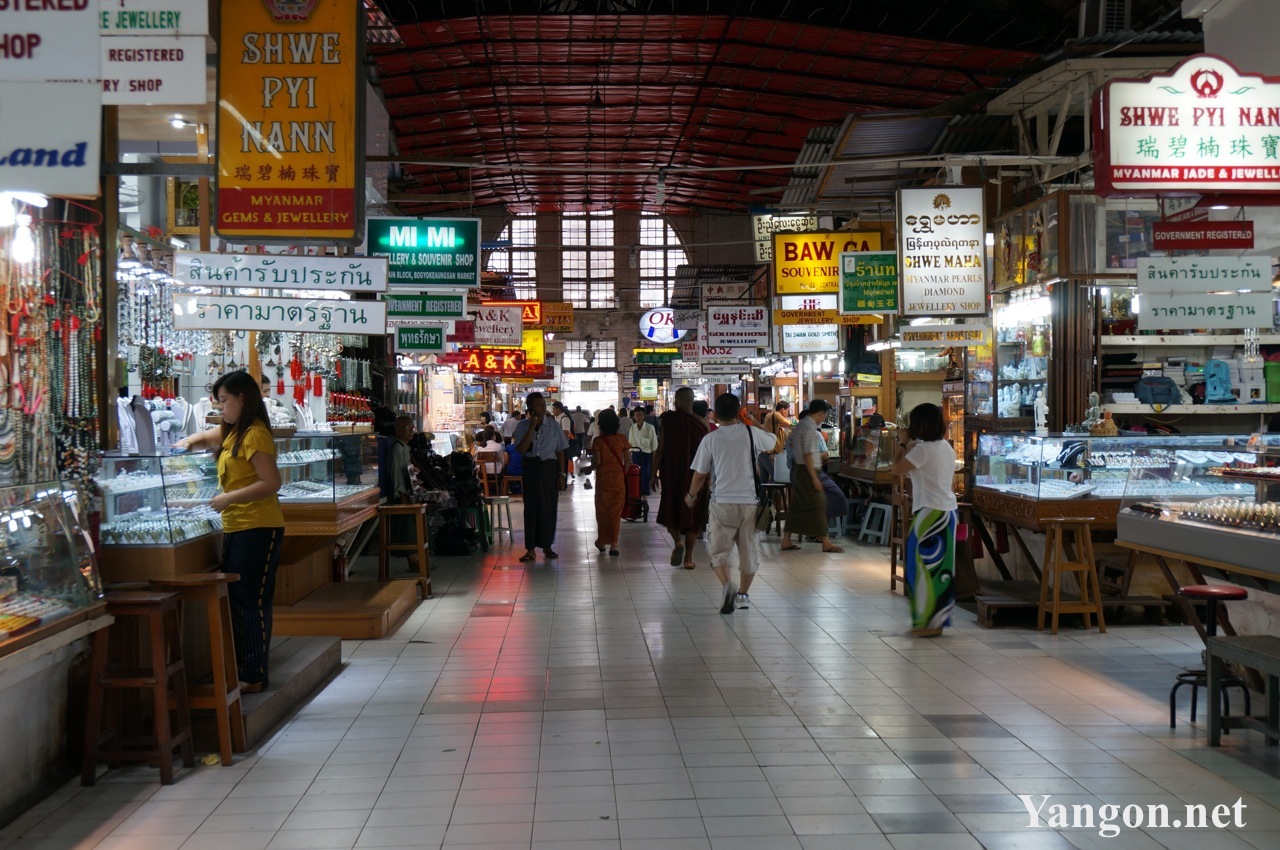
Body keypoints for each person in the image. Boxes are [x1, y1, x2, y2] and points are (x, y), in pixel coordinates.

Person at [175, 371, 284, 693]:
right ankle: (247, 669)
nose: (220, 407)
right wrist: (187, 442)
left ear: (242, 398)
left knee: (250, 599)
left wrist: (228, 498)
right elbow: (207, 437)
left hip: (258, 527)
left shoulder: (255, 434)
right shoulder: (234, 431)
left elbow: (271, 482)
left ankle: (254, 674)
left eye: (224, 400)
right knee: (240, 597)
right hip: (239, 525)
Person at [685, 393, 778, 614]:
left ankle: (727, 585)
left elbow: (700, 474)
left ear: (715, 415)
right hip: (749, 503)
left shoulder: (710, 439)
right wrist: (753, 422)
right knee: (748, 551)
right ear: (738, 413)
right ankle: (743, 596)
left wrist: (691, 495)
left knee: (719, 551)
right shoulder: (751, 433)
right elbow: (773, 441)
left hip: (721, 502)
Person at [891, 403, 959, 638]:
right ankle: (935, 622)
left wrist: (902, 443)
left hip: (930, 514)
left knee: (920, 569)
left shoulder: (923, 451)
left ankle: (926, 624)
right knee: (940, 570)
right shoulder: (945, 447)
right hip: (947, 512)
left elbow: (896, 469)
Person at [653, 387, 709, 569]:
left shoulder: (669, 420)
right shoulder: (703, 423)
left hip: (671, 473)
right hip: (695, 475)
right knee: (693, 512)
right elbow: (708, 454)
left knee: (670, 508)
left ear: (679, 401)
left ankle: (677, 541)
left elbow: (660, 449)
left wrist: (653, 474)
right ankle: (689, 559)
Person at [780, 400, 844, 553]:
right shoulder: (809, 429)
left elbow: (791, 442)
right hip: (807, 471)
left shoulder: (800, 426)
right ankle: (826, 542)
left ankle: (786, 540)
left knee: (797, 506)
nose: (824, 418)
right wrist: (814, 478)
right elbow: (808, 455)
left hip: (798, 469)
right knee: (819, 503)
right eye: (824, 415)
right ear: (820, 413)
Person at [513, 392, 569, 562]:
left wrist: (561, 474)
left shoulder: (554, 425)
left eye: (544, 404)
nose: (543, 407)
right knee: (531, 508)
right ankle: (530, 549)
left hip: (549, 468)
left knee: (548, 507)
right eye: (539, 404)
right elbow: (521, 449)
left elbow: (560, 451)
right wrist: (532, 427)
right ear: (531, 407)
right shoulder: (522, 426)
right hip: (531, 468)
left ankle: (547, 546)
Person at [386, 415, 423, 572]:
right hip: (400, 496)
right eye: (408, 428)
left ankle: (415, 558)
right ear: (399, 430)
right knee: (405, 529)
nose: (412, 432)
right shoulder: (397, 449)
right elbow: (396, 475)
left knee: (410, 527)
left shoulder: (405, 448)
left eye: (413, 428)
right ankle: (413, 559)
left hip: (406, 494)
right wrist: (401, 495)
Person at [589, 410, 628, 556]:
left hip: (603, 481)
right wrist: (623, 474)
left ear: (601, 424)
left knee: (603, 511)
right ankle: (614, 544)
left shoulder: (598, 441)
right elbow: (628, 461)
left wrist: (588, 469)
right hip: (618, 480)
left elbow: (597, 462)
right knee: (615, 512)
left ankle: (601, 541)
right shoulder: (622, 439)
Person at [627, 407, 658, 496]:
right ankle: (637, 496)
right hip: (635, 455)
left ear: (644, 416)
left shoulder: (650, 428)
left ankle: (644, 498)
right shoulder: (632, 428)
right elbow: (630, 445)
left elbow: (654, 448)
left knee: (645, 476)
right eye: (636, 415)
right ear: (634, 417)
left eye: (640, 415)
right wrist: (629, 459)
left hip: (646, 456)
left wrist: (653, 464)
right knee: (635, 476)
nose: (638, 417)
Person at [760, 400, 791, 483]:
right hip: (769, 452)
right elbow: (790, 424)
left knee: (764, 479)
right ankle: (772, 492)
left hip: (763, 452)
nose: (788, 413)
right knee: (776, 476)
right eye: (787, 411)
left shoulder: (770, 414)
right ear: (783, 410)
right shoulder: (777, 415)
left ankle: (762, 492)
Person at [552, 400, 575, 480]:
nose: (553, 411)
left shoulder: (564, 418)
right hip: (557, 446)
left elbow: (566, 433)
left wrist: (560, 444)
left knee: (563, 466)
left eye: (554, 409)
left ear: (558, 409)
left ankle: (563, 483)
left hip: (562, 447)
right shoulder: (558, 418)